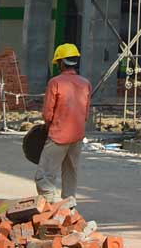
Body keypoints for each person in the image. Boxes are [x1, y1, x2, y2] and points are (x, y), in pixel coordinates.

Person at [36, 43, 91, 204]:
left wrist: (47, 127)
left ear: (61, 63)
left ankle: (51, 205)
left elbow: (48, 113)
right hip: (78, 136)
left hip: (58, 136)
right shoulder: (85, 83)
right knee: (70, 173)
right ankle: (69, 207)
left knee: (43, 176)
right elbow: (86, 113)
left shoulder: (55, 82)